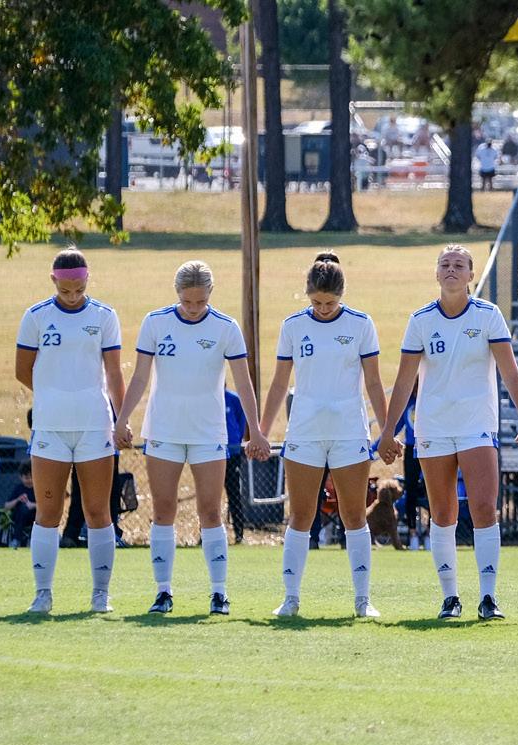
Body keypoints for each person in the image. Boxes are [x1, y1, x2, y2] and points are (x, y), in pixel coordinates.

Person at [379, 245, 518, 620]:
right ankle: (450, 597)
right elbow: (404, 381)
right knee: (442, 512)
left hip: (477, 425)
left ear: (471, 275)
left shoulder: (488, 315)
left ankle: (488, 597)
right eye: (445, 264)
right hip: (434, 426)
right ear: (436, 273)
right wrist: (388, 430)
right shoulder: (420, 320)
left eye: (459, 265)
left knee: (484, 508)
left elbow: (510, 372)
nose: (451, 270)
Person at [115, 260, 270, 615]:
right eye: (187, 301)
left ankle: (219, 593)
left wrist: (256, 431)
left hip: (208, 432)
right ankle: (163, 592)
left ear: (210, 294)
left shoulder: (226, 327)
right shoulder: (155, 323)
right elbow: (140, 377)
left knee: (210, 511)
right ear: (177, 294)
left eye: (201, 301)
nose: (194, 308)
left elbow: (244, 383)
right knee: (163, 509)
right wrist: (122, 420)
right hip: (164, 431)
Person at [258, 252, 390, 619]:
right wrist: (261, 432)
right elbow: (279, 383)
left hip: (349, 432)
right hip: (305, 432)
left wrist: (387, 430)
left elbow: (374, 382)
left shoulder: (361, 324)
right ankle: (290, 598)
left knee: (354, 515)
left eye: (330, 303)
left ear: (341, 296)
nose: (323, 309)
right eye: (316, 302)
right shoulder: (293, 326)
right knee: (301, 515)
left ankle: (362, 600)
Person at [13, 247, 125, 614]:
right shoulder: (35, 317)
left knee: (98, 512)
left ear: (87, 280)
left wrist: (122, 418)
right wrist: (54, 395)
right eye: (65, 291)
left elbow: (114, 372)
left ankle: (101, 594)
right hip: (51, 430)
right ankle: (42, 594)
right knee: (48, 513)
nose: (73, 296)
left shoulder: (105, 316)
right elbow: (22, 370)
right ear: (53, 281)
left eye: (79, 289)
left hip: (95, 427)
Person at [223, 389, 249, 543]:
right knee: (208, 496)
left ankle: (239, 533)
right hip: (212, 454)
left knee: (234, 494)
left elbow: (241, 420)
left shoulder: (233, 399)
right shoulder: (208, 397)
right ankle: (205, 533)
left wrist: (236, 442)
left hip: (232, 454)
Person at [4, 465, 37, 548]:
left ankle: (31, 540)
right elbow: (6, 506)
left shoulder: (38, 488)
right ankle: (16, 540)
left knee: (28, 510)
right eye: (26, 478)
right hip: (19, 517)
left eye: (31, 477)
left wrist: (33, 505)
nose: (29, 480)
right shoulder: (18, 488)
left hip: (35, 517)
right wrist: (18, 499)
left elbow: (46, 506)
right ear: (21, 477)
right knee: (22, 509)